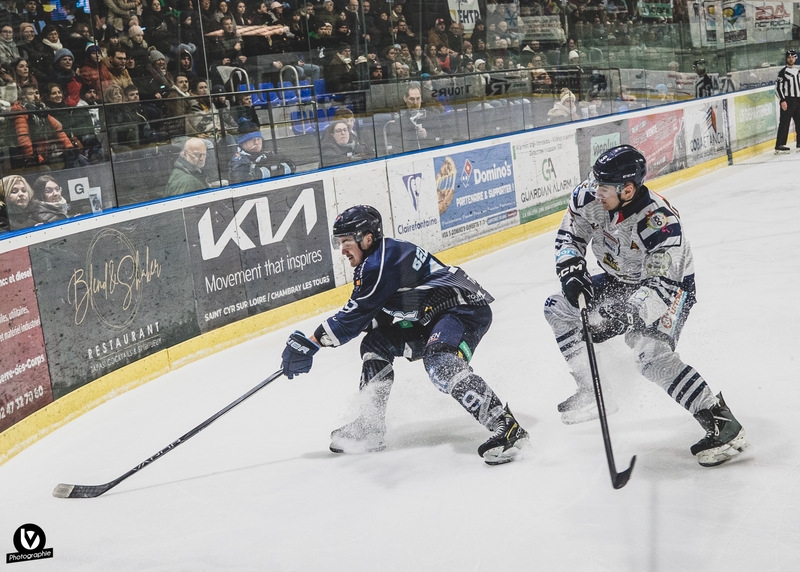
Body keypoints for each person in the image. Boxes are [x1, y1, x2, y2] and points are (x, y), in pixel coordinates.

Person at [542, 145, 748, 467]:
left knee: (650, 357)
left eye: (605, 187)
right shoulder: (589, 196)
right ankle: (595, 392)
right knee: (558, 307)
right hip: (618, 277)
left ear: (628, 189)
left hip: (669, 288)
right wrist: (571, 269)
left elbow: (661, 286)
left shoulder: (659, 222)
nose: (596, 191)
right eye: (596, 182)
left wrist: (627, 315)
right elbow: (571, 235)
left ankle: (722, 423)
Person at [280, 205, 529, 464]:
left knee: (440, 362)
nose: (342, 250)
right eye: (339, 242)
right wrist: (345, 330)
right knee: (377, 343)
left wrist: (312, 342)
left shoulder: (379, 263)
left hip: (462, 310)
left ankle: (508, 428)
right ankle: (370, 425)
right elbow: (376, 314)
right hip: (432, 318)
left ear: (366, 238)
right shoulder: (377, 258)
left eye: (345, 241)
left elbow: (354, 315)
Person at [228, 120, 294, 183]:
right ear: (242, 143)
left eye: (258, 139)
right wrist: (274, 169)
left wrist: (265, 170)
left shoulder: (268, 154)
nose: (256, 142)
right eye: (251, 139)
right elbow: (245, 177)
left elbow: (292, 166)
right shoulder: (238, 158)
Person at [2, 174, 66, 230]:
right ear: (3, 196)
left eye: (24, 190)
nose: (21, 194)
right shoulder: (4, 223)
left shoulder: (35, 216)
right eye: (14, 191)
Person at [398, 81, 443, 150]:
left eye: (418, 98)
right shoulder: (400, 122)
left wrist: (427, 135)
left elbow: (441, 141)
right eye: (412, 99)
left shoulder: (432, 117)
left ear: (421, 98)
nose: (415, 102)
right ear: (405, 98)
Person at [774, 49, 800, 154]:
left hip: (798, 99)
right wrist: (782, 100)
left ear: (795, 58)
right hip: (788, 100)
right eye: (789, 57)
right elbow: (778, 87)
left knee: (799, 121)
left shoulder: (798, 71)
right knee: (785, 122)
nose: (791, 59)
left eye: (793, 57)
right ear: (786, 59)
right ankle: (779, 145)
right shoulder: (783, 72)